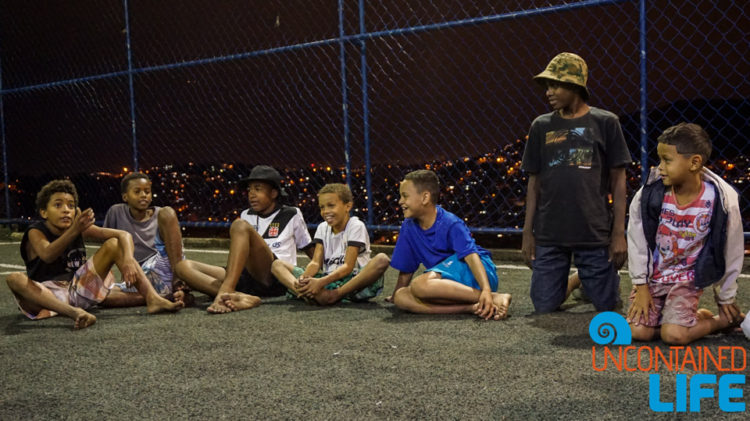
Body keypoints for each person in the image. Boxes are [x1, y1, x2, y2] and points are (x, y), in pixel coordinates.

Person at [521, 52, 631, 313]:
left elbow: (618, 180)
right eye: (547, 86)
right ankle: (575, 281)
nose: (549, 92)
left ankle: (589, 278)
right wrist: (528, 233)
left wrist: (618, 233)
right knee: (544, 306)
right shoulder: (541, 126)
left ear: (576, 86)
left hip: (592, 232)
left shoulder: (605, 122)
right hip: (550, 233)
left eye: (556, 85)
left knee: (607, 307)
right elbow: (534, 182)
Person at [5, 180, 182, 329]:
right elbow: (47, 254)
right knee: (14, 279)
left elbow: (123, 235)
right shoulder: (36, 231)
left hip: (77, 288)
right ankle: (75, 313)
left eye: (71, 206)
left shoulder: (79, 228)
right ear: (44, 212)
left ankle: (153, 298)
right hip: (48, 296)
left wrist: (128, 258)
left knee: (113, 244)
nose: (66, 210)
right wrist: (75, 230)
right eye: (58, 205)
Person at [626, 123, 744, 345]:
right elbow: (637, 239)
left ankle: (718, 322)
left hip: (687, 280)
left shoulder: (722, 200)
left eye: (667, 160)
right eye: (659, 159)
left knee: (674, 336)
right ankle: (681, 319)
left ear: (695, 162)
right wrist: (640, 286)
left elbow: (731, 249)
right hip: (654, 277)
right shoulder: (649, 194)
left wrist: (725, 296)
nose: (659, 167)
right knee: (638, 332)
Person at [388, 170, 511, 320]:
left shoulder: (450, 222)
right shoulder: (408, 227)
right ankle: (470, 307)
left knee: (420, 285)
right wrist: (395, 296)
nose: (400, 201)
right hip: (441, 284)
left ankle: (492, 297)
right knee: (402, 296)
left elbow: (471, 257)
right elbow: (406, 270)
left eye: (405, 196)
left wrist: (486, 289)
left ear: (425, 197)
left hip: (476, 274)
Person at [102, 172, 226, 306]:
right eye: (137, 192)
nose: (143, 195)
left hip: (167, 267)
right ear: (125, 196)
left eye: (147, 191)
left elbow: (175, 249)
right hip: (141, 276)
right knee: (102, 296)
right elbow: (109, 247)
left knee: (167, 212)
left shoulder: (160, 214)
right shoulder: (116, 212)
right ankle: (166, 297)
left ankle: (178, 282)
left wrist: (176, 274)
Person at [210, 165, 314, 313]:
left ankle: (225, 292)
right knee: (185, 268)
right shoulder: (246, 214)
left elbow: (308, 247)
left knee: (239, 225)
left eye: (257, 189)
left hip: (275, 277)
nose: (251, 194)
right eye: (249, 190)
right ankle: (243, 297)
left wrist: (322, 275)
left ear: (273, 193)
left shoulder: (291, 214)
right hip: (250, 278)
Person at [271, 183, 389, 305]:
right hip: (327, 280)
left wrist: (321, 282)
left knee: (382, 259)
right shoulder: (322, 228)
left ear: (347, 206)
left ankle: (334, 295)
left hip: (351, 281)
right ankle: (304, 292)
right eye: (322, 207)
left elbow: (348, 267)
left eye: (331, 206)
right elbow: (316, 263)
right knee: (277, 264)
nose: (326, 211)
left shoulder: (355, 226)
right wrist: (304, 279)